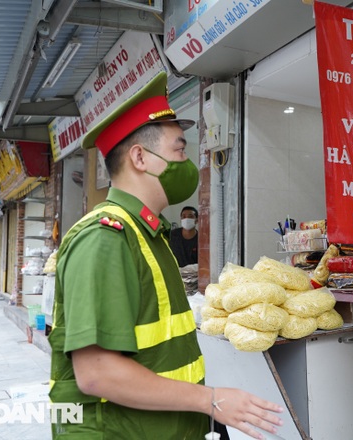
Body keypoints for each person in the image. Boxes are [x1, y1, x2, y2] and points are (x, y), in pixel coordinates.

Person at [48, 72, 283, 439]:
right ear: (140, 157)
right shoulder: (106, 238)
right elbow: (97, 372)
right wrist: (212, 400)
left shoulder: (150, 234)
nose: (186, 163)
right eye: (179, 150)